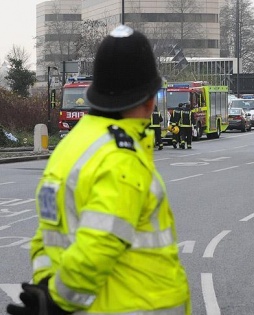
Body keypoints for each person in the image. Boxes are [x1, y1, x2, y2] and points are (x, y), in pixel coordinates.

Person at [7, 25, 191, 315]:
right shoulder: (121, 156)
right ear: (148, 98)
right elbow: (100, 243)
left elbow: (49, 233)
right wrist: (57, 301)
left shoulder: (70, 146)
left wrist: (46, 287)